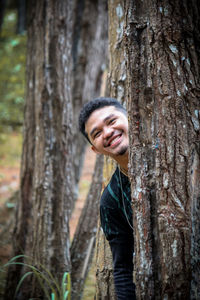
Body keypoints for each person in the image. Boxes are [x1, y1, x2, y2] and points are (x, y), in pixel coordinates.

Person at [78, 97, 136, 299]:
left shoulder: (181, 155)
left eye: (111, 122)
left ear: (130, 117)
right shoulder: (111, 201)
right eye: (97, 133)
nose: (108, 133)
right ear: (95, 149)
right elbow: (122, 269)